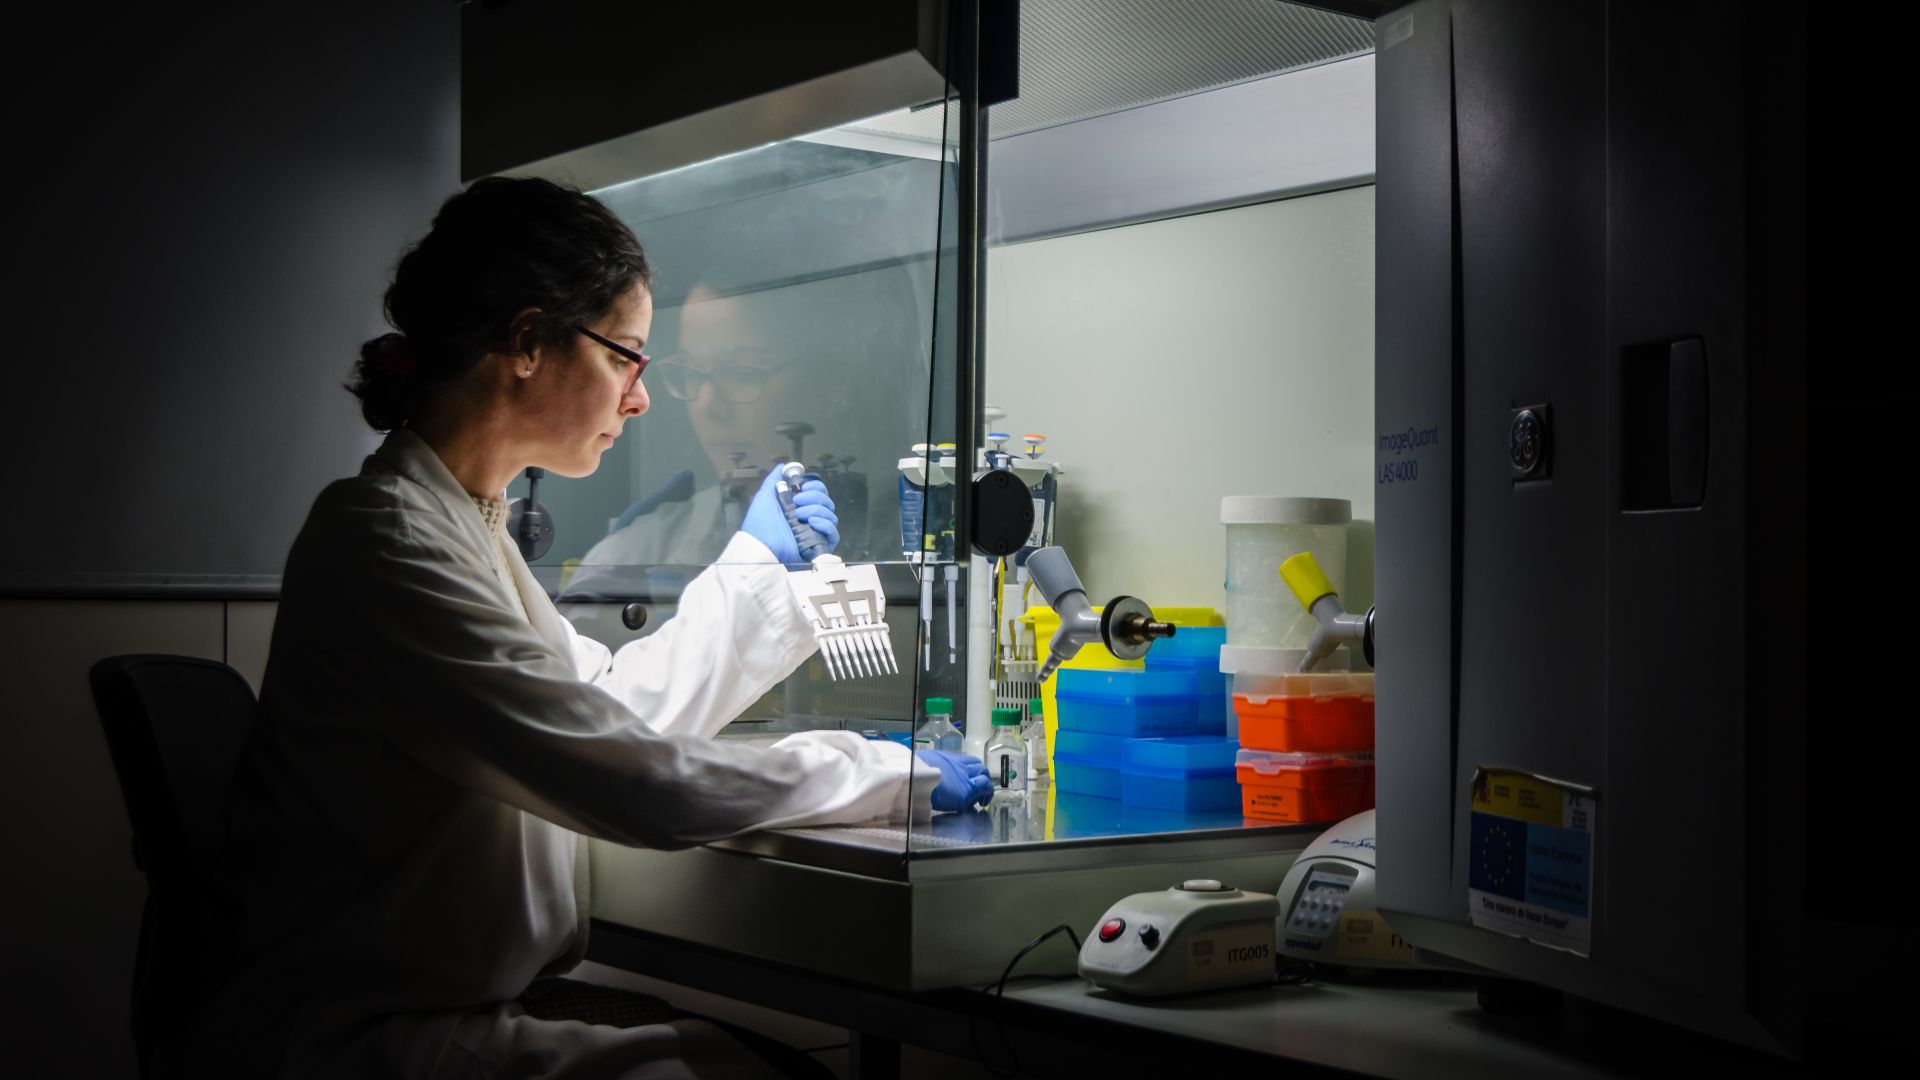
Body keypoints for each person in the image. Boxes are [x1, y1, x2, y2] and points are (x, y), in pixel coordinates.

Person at [177, 176, 992, 1078]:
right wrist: (888, 771)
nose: (640, 399)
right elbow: (639, 783)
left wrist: (758, 572)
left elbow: (605, 710)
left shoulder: (458, 521)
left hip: (420, 1011)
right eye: (625, 357)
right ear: (528, 343)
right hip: (359, 1044)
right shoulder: (388, 541)